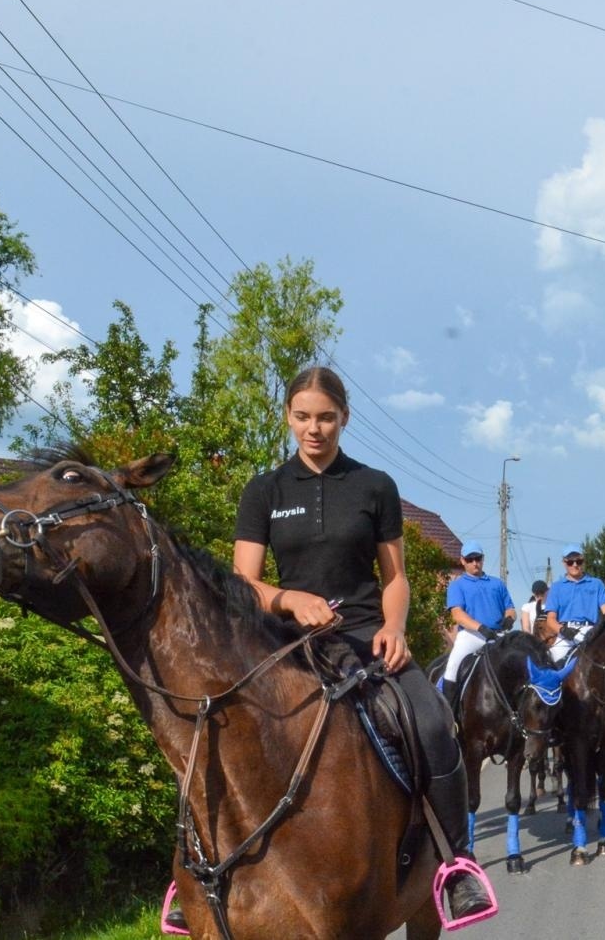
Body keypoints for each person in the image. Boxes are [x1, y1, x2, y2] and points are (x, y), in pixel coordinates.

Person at [230, 365, 494, 924]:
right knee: (218, 723)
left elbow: (395, 577)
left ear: (344, 418)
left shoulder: (375, 486)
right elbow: (245, 583)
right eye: (302, 417)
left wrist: (394, 629)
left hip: (367, 637)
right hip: (284, 642)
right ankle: (198, 872)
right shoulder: (265, 489)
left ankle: (457, 865)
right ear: (287, 417)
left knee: (430, 721)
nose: (314, 429)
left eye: (326, 417)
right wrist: (289, 599)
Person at [440, 541, 516, 697]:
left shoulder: (497, 583)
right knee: (452, 668)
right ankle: (450, 715)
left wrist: (509, 619)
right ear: (462, 561)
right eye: (470, 559)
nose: (475, 563)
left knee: (519, 666)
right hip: (471, 636)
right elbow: (458, 615)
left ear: (483, 559)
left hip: (497, 635)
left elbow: (510, 608)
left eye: (478, 558)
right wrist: (481, 628)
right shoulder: (457, 585)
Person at [542, 543, 605, 663]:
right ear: (564, 563)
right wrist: (563, 630)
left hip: (591, 631)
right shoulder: (556, 587)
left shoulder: (596, 584)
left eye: (578, 561)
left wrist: (601, 630)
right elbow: (550, 619)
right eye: (570, 562)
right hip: (566, 635)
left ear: (583, 561)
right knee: (550, 663)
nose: (575, 565)